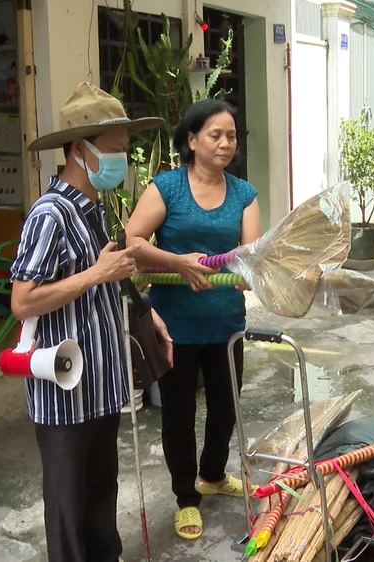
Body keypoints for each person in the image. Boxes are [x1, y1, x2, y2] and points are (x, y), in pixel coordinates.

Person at [11, 82, 174, 562]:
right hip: (62, 392)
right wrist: (96, 273)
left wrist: (151, 315)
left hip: (101, 382)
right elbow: (23, 301)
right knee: (68, 506)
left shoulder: (93, 211)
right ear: (80, 151)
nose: (123, 160)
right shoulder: (50, 215)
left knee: (102, 494)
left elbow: (113, 278)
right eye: (116, 150)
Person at [125, 99, 261, 540]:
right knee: (178, 415)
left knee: (225, 410)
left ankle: (214, 475)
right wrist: (178, 262)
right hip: (174, 325)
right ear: (192, 140)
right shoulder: (167, 187)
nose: (225, 143)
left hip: (225, 324)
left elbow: (250, 256)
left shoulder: (244, 193)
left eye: (232, 136)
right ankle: (186, 497)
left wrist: (246, 276)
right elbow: (133, 241)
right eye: (215, 135)